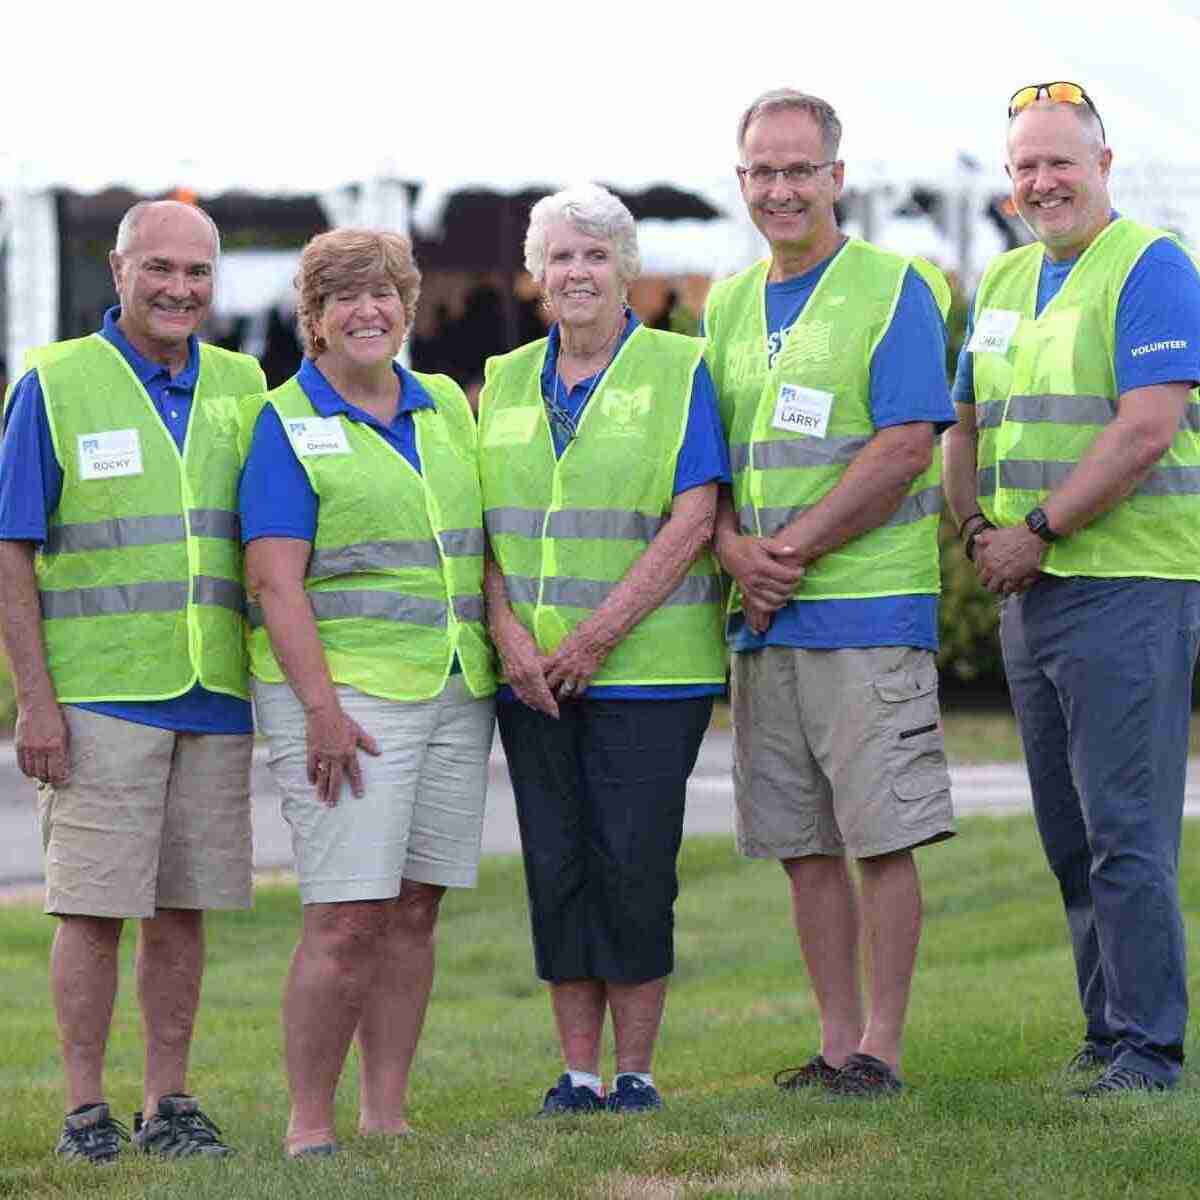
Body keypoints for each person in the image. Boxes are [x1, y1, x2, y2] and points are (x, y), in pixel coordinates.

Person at [943, 82, 1200, 1096]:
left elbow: (1145, 428)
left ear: (1103, 164)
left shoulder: (1154, 266)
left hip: (1127, 583)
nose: (1042, 181)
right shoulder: (1004, 280)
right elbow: (961, 423)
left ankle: (1148, 1052)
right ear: (1009, 184)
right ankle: (1106, 1036)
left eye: (1060, 161)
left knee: (1125, 831)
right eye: (1025, 168)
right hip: (1028, 590)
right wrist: (975, 529)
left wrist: (1038, 533)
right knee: (1068, 832)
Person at [0, 200, 265, 1161]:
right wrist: (35, 700)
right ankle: (84, 1115)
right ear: (118, 273)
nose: (179, 289)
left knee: (183, 910)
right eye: (160, 269)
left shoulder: (244, 384)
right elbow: (12, 552)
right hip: (99, 695)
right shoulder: (56, 383)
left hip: (213, 693)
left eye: (197, 273)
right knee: (92, 909)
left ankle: (169, 1107)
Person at [704, 89, 956, 1097]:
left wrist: (786, 551)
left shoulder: (898, 287)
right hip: (764, 621)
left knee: (881, 836)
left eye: (799, 170)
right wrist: (729, 550)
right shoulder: (724, 305)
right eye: (762, 172)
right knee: (803, 845)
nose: (780, 189)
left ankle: (881, 1052)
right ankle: (834, 1038)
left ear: (837, 178)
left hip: (866, 609)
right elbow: (704, 466)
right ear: (742, 182)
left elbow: (903, 445)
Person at [238, 228, 495, 1156]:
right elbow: (275, 582)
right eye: (343, 297)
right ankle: (310, 1125)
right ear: (312, 319)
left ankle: (386, 1113)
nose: (367, 311)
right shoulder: (284, 423)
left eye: (383, 293)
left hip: (454, 687)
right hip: (344, 701)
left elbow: (479, 551)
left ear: (407, 306)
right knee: (346, 913)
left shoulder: (443, 410)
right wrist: (321, 712)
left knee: (416, 905)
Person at [479, 184, 728, 1115]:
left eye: (594, 255)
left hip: (648, 671)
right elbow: (482, 530)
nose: (576, 272)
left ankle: (636, 1073)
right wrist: (507, 633)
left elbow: (694, 515)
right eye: (560, 257)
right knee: (557, 867)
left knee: (632, 866)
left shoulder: (679, 368)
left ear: (627, 270)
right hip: (529, 678)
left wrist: (595, 637)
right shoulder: (502, 379)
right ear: (536, 275)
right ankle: (576, 1073)